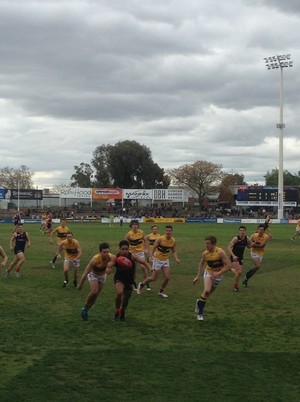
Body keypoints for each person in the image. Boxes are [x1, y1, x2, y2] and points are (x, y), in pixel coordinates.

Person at [107, 240, 151, 321]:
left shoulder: (132, 256)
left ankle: (122, 310)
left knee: (126, 299)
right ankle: (117, 310)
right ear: (119, 249)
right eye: (123, 249)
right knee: (119, 293)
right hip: (119, 278)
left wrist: (150, 268)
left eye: (126, 249)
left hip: (129, 280)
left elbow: (143, 262)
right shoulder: (116, 257)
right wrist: (108, 268)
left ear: (129, 249)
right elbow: (110, 264)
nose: (125, 251)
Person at [193, 235, 231, 321]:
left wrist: (219, 273)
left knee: (207, 295)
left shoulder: (220, 252)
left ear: (213, 244)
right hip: (209, 273)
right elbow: (202, 264)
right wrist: (197, 276)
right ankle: (200, 313)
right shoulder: (205, 253)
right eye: (205, 243)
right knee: (206, 291)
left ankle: (199, 302)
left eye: (208, 243)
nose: (206, 245)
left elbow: (229, 265)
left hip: (218, 275)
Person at [137, 225, 180, 298]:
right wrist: (151, 257)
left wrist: (176, 258)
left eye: (169, 231)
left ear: (172, 231)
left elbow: (174, 251)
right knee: (153, 278)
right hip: (157, 260)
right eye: (167, 230)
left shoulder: (173, 241)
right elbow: (153, 248)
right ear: (165, 231)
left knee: (167, 277)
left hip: (165, 260)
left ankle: (161, 291)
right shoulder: (160, 239)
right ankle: (142, 284)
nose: (168, 232)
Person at [78, 242, 116, 321]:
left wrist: (109, 269)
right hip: (93, 274)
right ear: (100, 252)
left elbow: (111, 265)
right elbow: (85, 272)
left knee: (96, 295)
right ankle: (85, 307)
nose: (106, 254)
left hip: (102, 276)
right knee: (94, 291)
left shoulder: (111, 257)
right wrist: (80, 285)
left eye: (107, 252)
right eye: (104, 252)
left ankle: (86, 310)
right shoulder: (95, 260)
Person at [242, 224, 270, 288]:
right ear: (257, 230)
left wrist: (253, 244)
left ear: (264, 231)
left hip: (261, 253)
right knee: (258, 266)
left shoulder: (266, 237)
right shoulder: (254, 235)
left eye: (262, 230)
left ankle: (246, 279)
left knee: (256, 268)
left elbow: (261, 246)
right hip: (254, 252)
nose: (260, 231)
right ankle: (247, 276)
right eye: (259, 229)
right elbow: (248, 243)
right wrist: (252, 244)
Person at [125, 219, 150, 290]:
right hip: (132, 254)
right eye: (133, 225)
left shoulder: (141, 232)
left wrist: (145, 249)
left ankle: (146, 283)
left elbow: (145, 241)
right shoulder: (129, 234)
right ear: (131, 226)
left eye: (136, 225)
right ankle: (133, 283)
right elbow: (125, 244)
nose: (135, 226)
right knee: (133, 269)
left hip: (140, 252)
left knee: (143, 267)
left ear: (138, 225)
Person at [227, 225, 252, 292]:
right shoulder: (236, 239)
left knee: (239, 272)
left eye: (243, 230)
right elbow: (229, 248)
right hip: (234, 256)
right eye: (241, 230)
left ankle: (229, 268)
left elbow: (249, 246)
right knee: (239, 272)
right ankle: (235, 287)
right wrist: (233, 256)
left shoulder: (247, 238)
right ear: (239, 231)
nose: (242, 232)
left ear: (245, 231)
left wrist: (253, 244)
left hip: (240, 257)